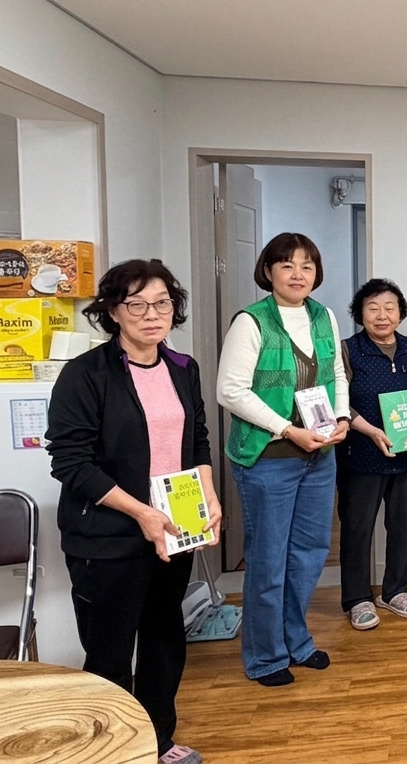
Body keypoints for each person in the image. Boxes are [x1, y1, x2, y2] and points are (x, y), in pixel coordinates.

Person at [46, 259, 218, 764]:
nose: (151, 314)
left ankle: (157, 740)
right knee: (110, 653)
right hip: (107, 534)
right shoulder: (86, 375)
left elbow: (198, 440)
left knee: (166, 642)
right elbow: (70, 461)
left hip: (175, 526)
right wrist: (140, 512)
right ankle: (113, 750)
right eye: (136, 304)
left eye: (162, 303)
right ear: (114, 312)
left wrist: (208, 495)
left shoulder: (184, 368)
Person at [216, 232, 349, 687]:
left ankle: (297, 640)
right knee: (269, 560)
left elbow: (335, 374)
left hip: (320, 455)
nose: (298, 274)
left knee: (309, 555)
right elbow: (229, 391)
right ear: (269, 271)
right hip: (268, 457)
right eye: (288, 265)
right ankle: (265, 656)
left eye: (307, 265)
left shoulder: (323, 315)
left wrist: (343, 417)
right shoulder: (251, 322)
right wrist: (288, 429)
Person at [338, 278, 407, 628]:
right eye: (372, 308)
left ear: (400, 313)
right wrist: (370, 430)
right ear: (360, 313)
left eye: (389, 308)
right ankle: (358, 599)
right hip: (362, 456)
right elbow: (339, 403)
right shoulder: (348, 350)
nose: (381, 315)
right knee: (357, 528)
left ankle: (395, 590)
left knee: (404, 525)